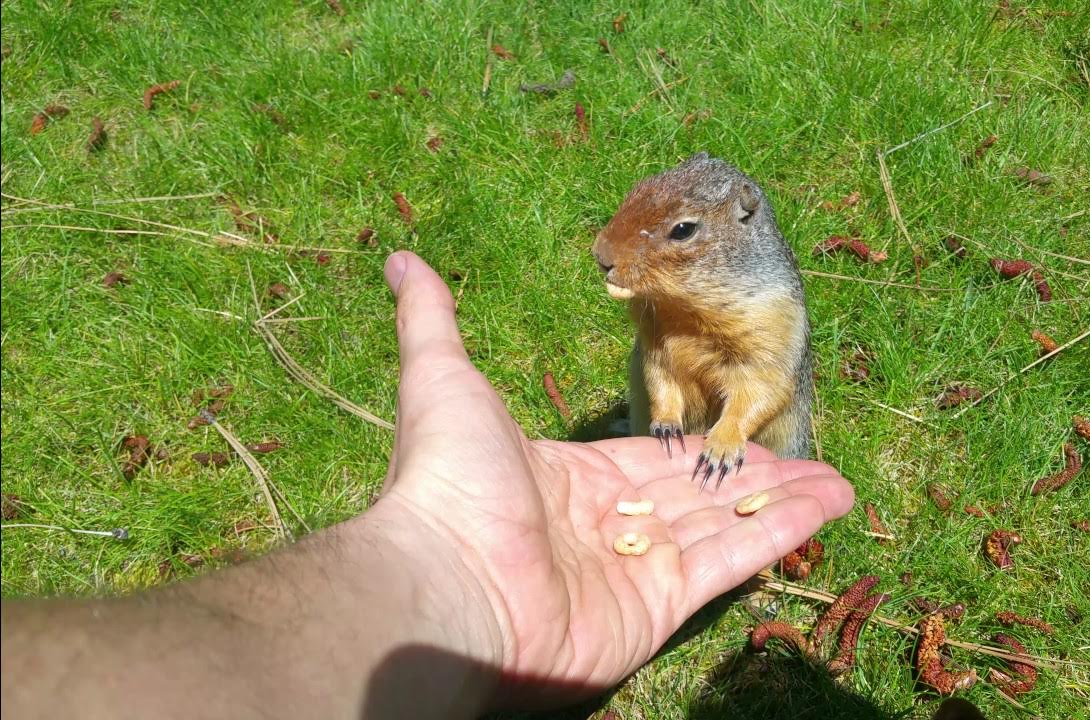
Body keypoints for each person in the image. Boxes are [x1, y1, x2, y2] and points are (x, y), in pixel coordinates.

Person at [0, 251, 854, 718]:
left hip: (748, 438)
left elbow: (765, 376)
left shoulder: (763, 299)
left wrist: (732, 426)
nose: (604, 254)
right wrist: (446, 561)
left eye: (675, 236)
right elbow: (662, 362)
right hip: (669, 439)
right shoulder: (656, 300)